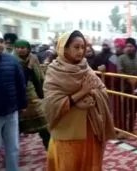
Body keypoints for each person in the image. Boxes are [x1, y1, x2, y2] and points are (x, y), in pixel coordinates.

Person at [42, 30, 115, 171]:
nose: (81, 51)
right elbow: (51, 105)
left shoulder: (86, 68)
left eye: (83, 47)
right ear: (65, 48)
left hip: (90, 130)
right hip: (66, 133)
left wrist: (92, 95)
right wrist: (80, 95)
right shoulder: (54, 71)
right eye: (76, 47)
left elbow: (102, 91)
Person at [0, 29, 27, 171]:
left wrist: (22, 105)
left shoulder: (12, 61)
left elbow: (21, 85)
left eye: (1, 41)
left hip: (11, 113)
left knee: (13, 147)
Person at [13, 39, 50, 150]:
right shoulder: (13, 61)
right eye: (18, 47)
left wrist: (43, 93)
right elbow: (20, 81)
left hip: (35, 97)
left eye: (23, 47)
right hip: (19, 99)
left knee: (44, 125)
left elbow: (39, 77)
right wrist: (28, 67)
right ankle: (13, 150)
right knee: (17, 127)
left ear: (28, 49)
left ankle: (49, 148)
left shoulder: (34, 58)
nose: (20, 50)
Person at [117, 37, 137, 133]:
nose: (129, 48)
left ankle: (130, 129)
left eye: (131, 46)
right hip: (125, 88)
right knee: (124, 110)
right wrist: (130, 79)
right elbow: (120, 71)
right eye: (127, 46)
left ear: (135, 47)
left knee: (134, 110)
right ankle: (123, 129)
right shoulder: (121, 58)